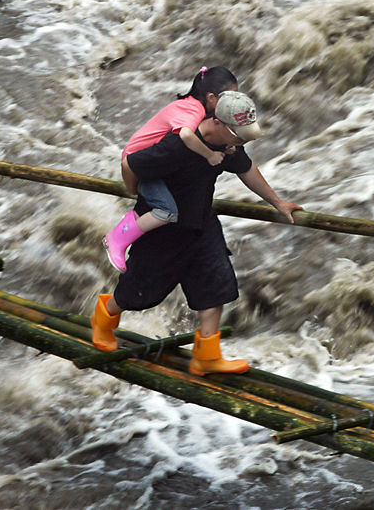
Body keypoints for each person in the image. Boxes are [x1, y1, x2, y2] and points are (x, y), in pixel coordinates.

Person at [91, 90, 304, 376]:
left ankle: (206, 356)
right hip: (162, 234)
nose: (241, 143)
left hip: (202, 226)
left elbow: (247, 169)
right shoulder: (176, 146)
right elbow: (132, 163)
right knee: (139, 294)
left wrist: (278, 202)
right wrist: (133, 192)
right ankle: (103, 318)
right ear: (216, 122)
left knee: (214, 287)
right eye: (238, 136)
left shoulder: (228, 146)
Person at [102, 66, 253, 273]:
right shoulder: (193, 110)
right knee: (166, 211)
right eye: (230, 96)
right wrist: (210, 155)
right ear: (211, 97)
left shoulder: (196, 108)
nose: (233, 102)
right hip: (140, 163)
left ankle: (123, 230)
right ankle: (117, 239)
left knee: (165, 210)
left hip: (152, 164)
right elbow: (186, 136)